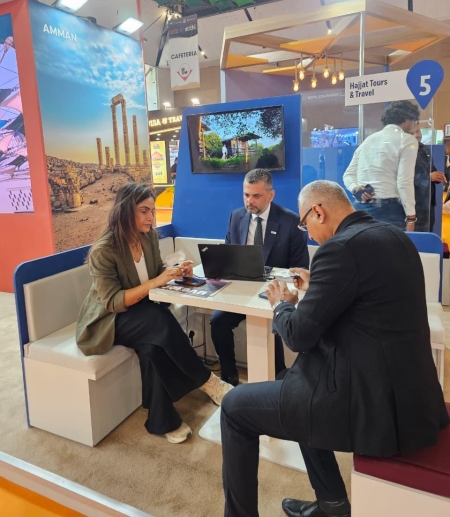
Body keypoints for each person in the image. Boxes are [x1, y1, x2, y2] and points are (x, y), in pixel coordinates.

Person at [220, 180, 449, 517]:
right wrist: (317, 286)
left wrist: (281, 304)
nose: (309, 235)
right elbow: (369, 302)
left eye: (305, 224)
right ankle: (332, 505)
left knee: (234, 406)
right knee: (293, 382)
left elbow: (297, 337)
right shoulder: (393, 236)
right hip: (413, 392)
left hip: (371, 401)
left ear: (318, 211)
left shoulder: (339, 249)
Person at [76, 183, 232, 444]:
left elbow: (155, 271)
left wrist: (176, 272)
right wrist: (156, 282)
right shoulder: (104, 251)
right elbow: (113, 301)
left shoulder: (148, 237)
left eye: (152, 210)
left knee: (152, 347)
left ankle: (162, 421)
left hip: (142, 312)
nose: (151, 217)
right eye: (144, 211)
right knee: (158, 319)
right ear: (126, 211)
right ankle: (208, 382)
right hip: (110, 319)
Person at [211, 168, 309, 386]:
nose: (249, 201)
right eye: (246, 195)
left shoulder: (290, 222)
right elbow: (228, 255)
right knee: (218, 321)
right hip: (240, 291)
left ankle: (277, 380)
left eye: (256, 196)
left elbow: (301, 268)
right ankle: (229, 376)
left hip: (273, 294)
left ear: (270, 195)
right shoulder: (236, 217)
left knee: (272, 325)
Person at [343, 100, 419, 231]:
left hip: (360, 208)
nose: (413, 125)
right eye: (414, 121)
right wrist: (411, 217)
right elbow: (404, 182)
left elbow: (348, 174)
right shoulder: (407, 140)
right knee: (390, 245)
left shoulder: (368, 140)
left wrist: (355, 188)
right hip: (389, 210)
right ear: (407, 119)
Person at [411, 123, 446, 232]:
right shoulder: (405, 151)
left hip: (428, 203)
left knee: (428, 231)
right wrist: (429, 177)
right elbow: (405, 178)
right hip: (414, 204)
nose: (417, 135)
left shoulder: (425, 149)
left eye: (418, 131)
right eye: (412, 133)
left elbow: (432, 169)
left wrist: (439, 175)